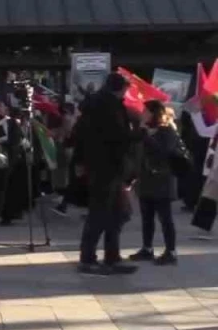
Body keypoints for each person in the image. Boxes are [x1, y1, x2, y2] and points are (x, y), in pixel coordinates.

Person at [71, 73, 138, 275]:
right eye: (126, 89)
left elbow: (79, 134)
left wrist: (80, 160)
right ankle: (89, 258)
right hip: (107, 167)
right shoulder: (109, 107)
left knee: (116, 214)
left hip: (102, 167)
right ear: (120, 88)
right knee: (100, 214)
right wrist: (141, 132)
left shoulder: (94, 106)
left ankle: (111, 256)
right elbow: (118, 136)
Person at [130, 101, 187, 266]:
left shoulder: (167, 130)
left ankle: (171, 251)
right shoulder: (144, 130)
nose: (143, 113)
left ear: (154, 113)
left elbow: (163, 152)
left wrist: (147, 135)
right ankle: (147, 248)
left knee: (165, 218)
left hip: (163, 179)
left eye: (145, 111)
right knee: (146, 217)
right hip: (146, 180)